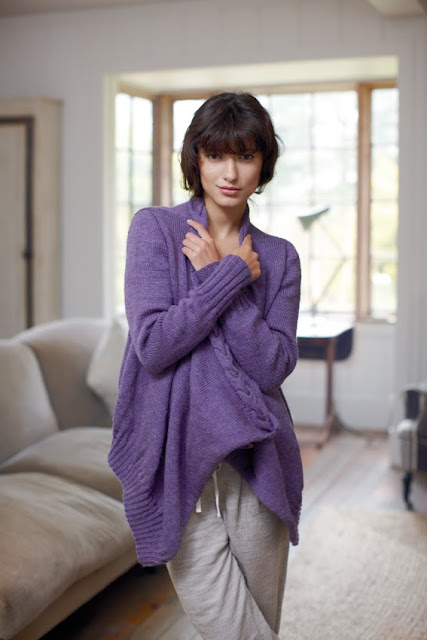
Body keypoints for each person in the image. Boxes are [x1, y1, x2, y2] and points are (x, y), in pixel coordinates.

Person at [108, 92, 303, 640]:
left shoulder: (280, 256)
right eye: (216, 155)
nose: (230, 173)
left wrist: (226, 278)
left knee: (258, 618)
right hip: (174, 447)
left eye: (246, 156)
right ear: (196, 158)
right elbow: (153, 346)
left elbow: (272, 367)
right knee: (227, 622)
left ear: (263, 164)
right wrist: (228, 277)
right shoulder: (155, 230)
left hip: (257, 454)